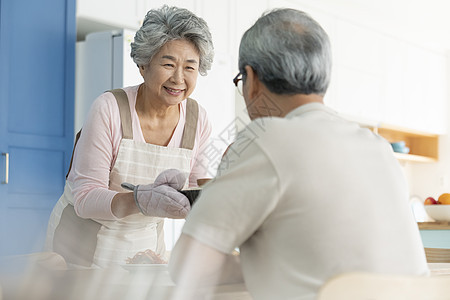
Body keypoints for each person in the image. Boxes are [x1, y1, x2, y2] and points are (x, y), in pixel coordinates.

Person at [169, 8, 429, 300]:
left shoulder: (266, 137)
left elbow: (187, 265)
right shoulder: (377, 147)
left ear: (251, 79)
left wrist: (255, 265)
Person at [45, 5, 214, 268]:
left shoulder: (197, 119)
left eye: (190, 67)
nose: (179, 78)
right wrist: (140, 200)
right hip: (81, 246)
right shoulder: (110, 108)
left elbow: (196, 196)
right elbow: (85, 198)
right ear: (143, 65)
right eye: (168, 64)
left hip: (144, 251)